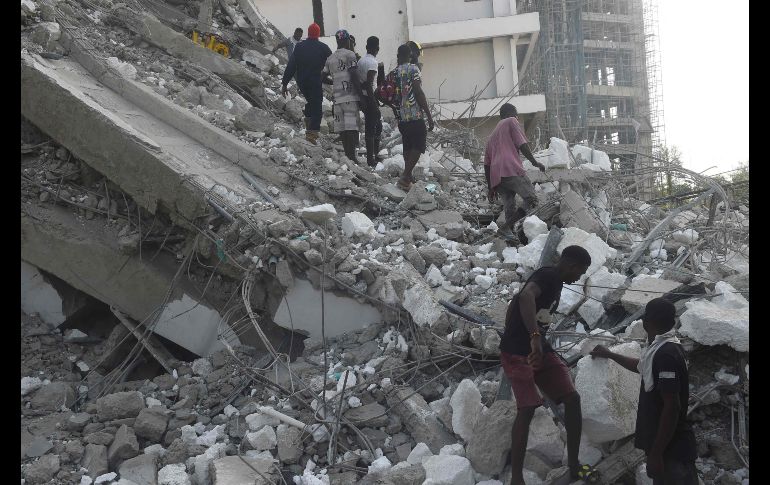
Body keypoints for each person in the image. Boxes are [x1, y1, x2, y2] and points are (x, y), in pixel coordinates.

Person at [499, 245, 593, 485]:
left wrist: (538, 341)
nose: (579, 278)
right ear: (572, 266)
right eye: (580, 272)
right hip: (517, 352)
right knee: (528, 408)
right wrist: (535, 337)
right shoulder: (549, 276)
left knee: (572, 399)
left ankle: (573, 465)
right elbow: (525, 296)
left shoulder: (556, 282)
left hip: (538, 350)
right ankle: (517, 478)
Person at [590, 298, 698, 484]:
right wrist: (610, 354)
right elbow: (643, 366)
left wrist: (656, 454)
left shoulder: (666, 355)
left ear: (647, 322)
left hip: (671, 450)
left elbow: (672, 407)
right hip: (665, 446)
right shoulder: (662, 347)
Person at [484, 103, 547, 241]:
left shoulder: (491, 137)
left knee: (509, 206)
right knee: (531, 199)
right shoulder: (511, 121)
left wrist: (490, 187)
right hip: (511, 168)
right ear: (512, 114)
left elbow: (486, 164)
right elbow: (522, 144)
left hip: (497, 177)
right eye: (516, 116)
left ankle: (509, 238)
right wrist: (534, 162)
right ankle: (506, 227)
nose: (517, 119)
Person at [386, 44, 434, 190]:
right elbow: (418, 92)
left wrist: (393, 106)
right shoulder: (414, 69)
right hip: (414, 114)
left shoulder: (393, 73)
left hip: (401, 118)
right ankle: (405, 175)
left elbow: (380, 93)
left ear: (398, 56)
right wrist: (429, 116)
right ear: (411, 55)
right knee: (419, 144)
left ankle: (408, 179)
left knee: (408, 145)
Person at [281, 23, 331, 145]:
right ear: (318, 34)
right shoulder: (324, 48)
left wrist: (284, 83)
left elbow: (291, 66)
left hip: (302, 82)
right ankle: (311, 135)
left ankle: (309, 125)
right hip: (315, 82)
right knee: (317, 107)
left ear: (308, 33)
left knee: (311, 103)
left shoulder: (299, 47)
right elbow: (333, 64)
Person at [322, 29, 361, 163]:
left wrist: (334, 81)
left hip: (337, 99)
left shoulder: (330, 58)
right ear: (347, 40)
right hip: (349, 97)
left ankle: (347, 156)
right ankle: (351, 157)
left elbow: (321, 77)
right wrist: (361, 95)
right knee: (351, 128)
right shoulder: (350, 55)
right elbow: (354, 75)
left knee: (343, 129)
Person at [357, 36, 384, 167]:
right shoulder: (373, 63)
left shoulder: (361, 61)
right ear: (377, 48)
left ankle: (373, 156)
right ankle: (371, 158)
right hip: (370, 97)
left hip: (363, 97)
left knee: (375, 125)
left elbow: (360, 82)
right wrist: (373, 102)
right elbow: (369, 83)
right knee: (373, 127)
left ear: (367, 47)